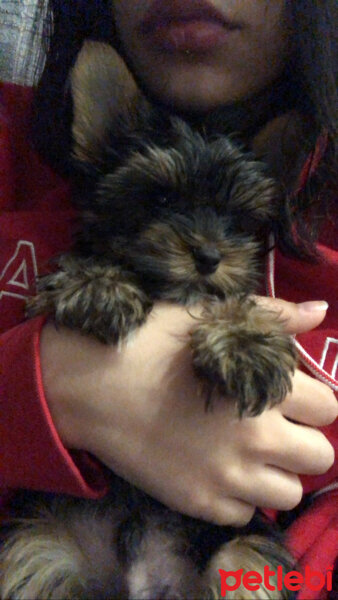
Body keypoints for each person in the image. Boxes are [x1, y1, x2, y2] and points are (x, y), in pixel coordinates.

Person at [0, 1, 336, 598]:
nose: (208, 249)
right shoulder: (11, 145)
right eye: (159, 206)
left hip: (229, 551)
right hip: (55, 538)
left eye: (232, 225)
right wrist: (50, 384)